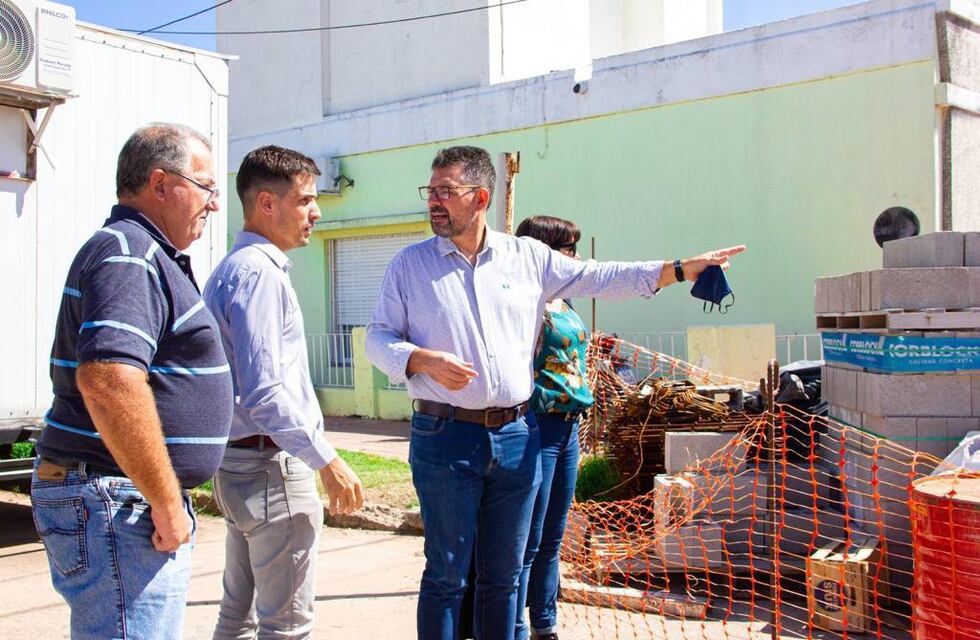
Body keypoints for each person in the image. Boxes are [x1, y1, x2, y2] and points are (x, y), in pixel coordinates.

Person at [365, 144, 744, 640]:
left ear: (480, 197)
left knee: (503, 578)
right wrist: (418, 358)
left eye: (446, 192)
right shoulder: (409, 266)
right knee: (448, 576)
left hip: (517, 436)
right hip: (445, 437)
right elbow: (378, 337)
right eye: (430, 191)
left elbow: (600, 276)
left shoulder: (527, 259)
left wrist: (677, 269)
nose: (433, 202)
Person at [32, 123, 233, 640]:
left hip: (121, 500)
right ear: (161, 185)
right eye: (206, 187)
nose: (213, 203)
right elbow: (109, 381)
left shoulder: (138, 251)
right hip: (120, 504)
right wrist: (165, 502)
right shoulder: (130, 253)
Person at [203, 145, 364, 639]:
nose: (316, 212)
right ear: (267, 203)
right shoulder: (259, 275)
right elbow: (265, 392)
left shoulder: (234, 268)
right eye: (306, 200)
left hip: (240, 465)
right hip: (269, 469)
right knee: (286, 626)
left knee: (239, 617)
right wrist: (327, 461)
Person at [512, 215, 590, 640]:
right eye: (567, 249)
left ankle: (546, 624)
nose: (575, 258)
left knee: (553, 538)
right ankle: (516, 626)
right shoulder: (529, 302)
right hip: (536, 426)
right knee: (529, 537)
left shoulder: (566, 300)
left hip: (568, 429)